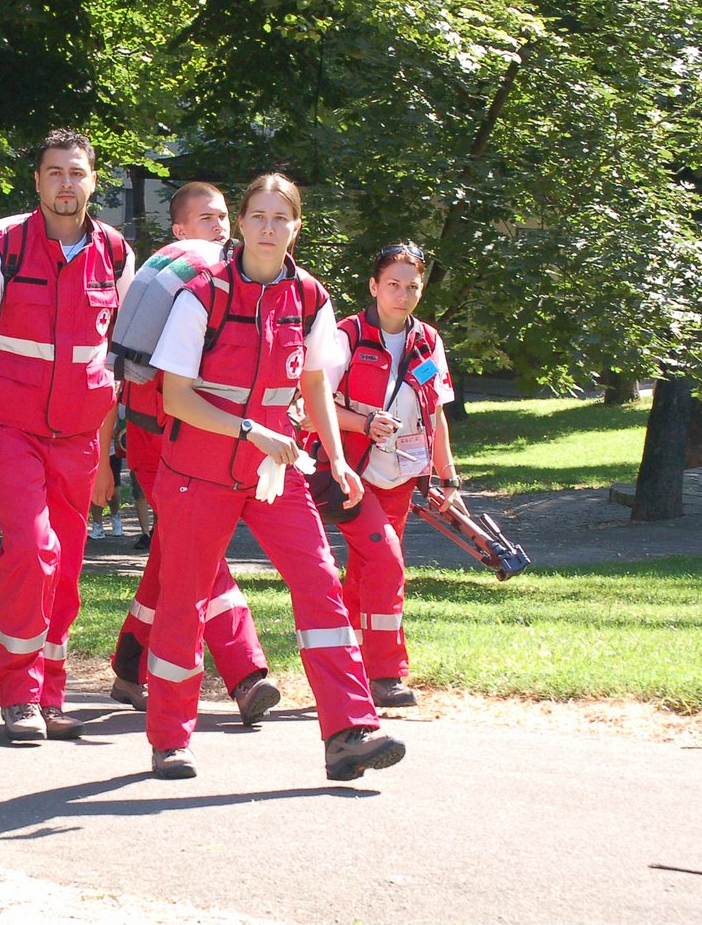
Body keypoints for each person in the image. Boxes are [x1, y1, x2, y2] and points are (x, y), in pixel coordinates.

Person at [144, 172, 405, 782]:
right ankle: (169, 739)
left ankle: (348, 733)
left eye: (279, 218)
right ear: (241, 224)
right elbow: (176, 398)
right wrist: (247, 429)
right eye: (257, 216)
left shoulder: (310, 295)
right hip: (198, 471)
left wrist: (338, 458)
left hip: (274, 468)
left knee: (319, 582)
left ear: (296, 226)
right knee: (183, 603)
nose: (268, 228)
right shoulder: (202, 293)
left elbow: (315, 383)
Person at [0, 128, 134, 742]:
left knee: (68, 568)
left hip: (78, 438)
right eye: (55, 172)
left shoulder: (117, 255)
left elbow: (114, 365)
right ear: (38, 181)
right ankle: (17, 691)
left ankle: (51, 692)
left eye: (77, 173)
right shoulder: (4, 249)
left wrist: (105, 456)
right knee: (31, 548)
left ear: (92, 181)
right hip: (10, 430)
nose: (66, 183)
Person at [106, 183, 280, 726]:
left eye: (225, 216)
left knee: (171, 560)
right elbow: (116, 376)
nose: (221, 227)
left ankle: (130, 669)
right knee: (201, 560)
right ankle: (246, 675)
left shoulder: (231, 288)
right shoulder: (169, 283)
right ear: (179, 231)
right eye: (207, 219)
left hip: (206, 447)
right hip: (159, 446)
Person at [322, 241, 463, 708]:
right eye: (393, 285)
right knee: (386, 561)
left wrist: (449, 479)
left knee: (368, 569)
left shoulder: (429, 340)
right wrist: (362, 423)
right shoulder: (345, 336)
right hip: (352, 475)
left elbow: (437, 414)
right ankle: (386, 674)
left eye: (412, 286)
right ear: (374, 286)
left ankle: (348, 663)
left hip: (403, 475)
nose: (402, 295)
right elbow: (309, 408)